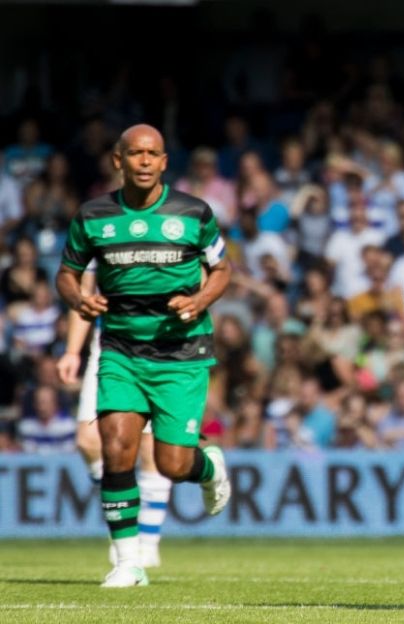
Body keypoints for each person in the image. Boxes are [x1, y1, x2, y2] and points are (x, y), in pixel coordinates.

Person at [55, 124, 232, 587]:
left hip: (181, 351)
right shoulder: (92, 216)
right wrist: (77, 299)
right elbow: (67, 273)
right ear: (119, 160)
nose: (145, 161)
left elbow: (222, 269)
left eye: (153, 153)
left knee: (173, 463)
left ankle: (209, 466)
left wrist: (200, 300)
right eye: (136, 154)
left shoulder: (194, 213)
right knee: (116, 449)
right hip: (120, 348)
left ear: (165, 161)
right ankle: (127, 562)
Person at [56, 262, 173, 569]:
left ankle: (146, 542)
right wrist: (72, 351)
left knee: (150, 447)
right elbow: (86, 294)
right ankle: (122, 520)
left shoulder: (171, 222)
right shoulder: (100, 222)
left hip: (159, 344)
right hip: (109, 344)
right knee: (88, 440)